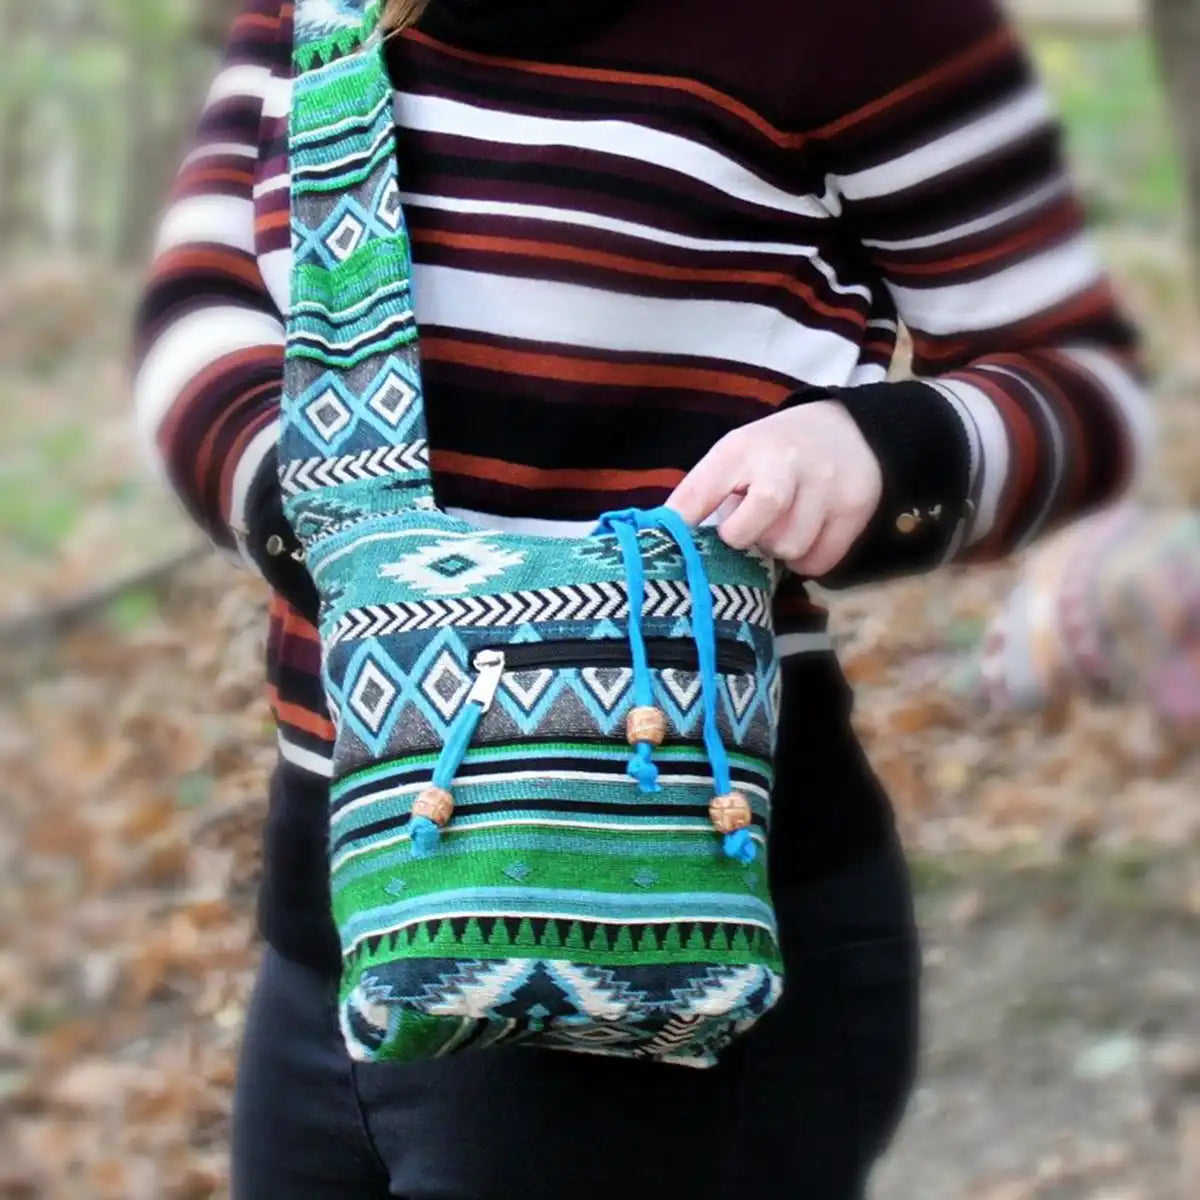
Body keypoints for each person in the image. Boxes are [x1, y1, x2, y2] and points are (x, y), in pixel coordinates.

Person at [132, 0, 1153, 1195]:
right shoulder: (318, 9)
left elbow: (1083, 388)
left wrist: (884, 451)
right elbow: (201, 307)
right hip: (339, 922)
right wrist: (333, 525)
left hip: (665, 939)